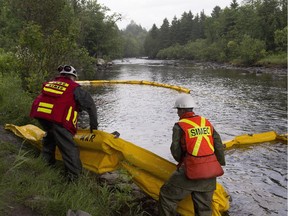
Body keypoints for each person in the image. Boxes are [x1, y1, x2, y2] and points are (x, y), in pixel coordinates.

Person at [158, 94, 226, 216]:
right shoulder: (206, 122)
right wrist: (218, 163)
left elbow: (176, 151)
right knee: (204, 209)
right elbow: (218, 145)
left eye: (178, 110)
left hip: (190, 171)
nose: (177, 113)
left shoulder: (180, 126)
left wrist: (182, 164)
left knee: (167, 196)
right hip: (210, 173)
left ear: (183, 110)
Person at [30, 65, 99, 181]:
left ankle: (45, 165)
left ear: (61, 75)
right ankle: (75, 178)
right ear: (73, 77)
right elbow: (91, 107)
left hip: (41, 115)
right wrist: (94, 127)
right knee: (69, 148)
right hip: (58, 119)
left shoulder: (51, 83)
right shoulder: (74, 87)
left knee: (50, 138)